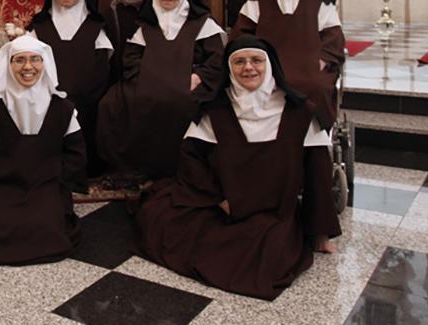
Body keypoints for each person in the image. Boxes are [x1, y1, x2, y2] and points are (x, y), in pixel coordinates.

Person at [135, 36, 340, 300]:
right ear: (229, 68)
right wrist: (216, 199)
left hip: (275, 209)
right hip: (226, 205)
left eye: (257, 61)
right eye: (239, 61)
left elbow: (318, 175)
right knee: (164, 224)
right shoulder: (214, 110)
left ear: (270, 66)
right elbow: (192, 161)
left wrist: (320, 234)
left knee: (269, 257)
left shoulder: (299, 113)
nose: (248, 68)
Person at [96, 0, 225, 179]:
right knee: (111, 104)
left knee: (186, 103)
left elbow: (216, 60)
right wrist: (144, 79)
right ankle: (131, 167)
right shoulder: (146, 24)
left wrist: (199, 76)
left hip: (190, 82)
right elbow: (131, 59)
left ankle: (187, 168)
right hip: (149, 81)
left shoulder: (203, 24)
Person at [0, 35, 87, 265]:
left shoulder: (62, 107)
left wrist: (57, 182)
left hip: (49, 184)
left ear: (45, 64)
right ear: (8, 65)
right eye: (19, 60)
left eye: (35, 59)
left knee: (48, 224)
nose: (28, 67)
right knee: (6, 227)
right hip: (8, 185)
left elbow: (76, 154)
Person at [229, 0, 345, 131]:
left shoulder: (320, 0)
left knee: (317, 87)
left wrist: (323, 60)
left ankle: (314, 137)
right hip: (264, 65)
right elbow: (241, 35)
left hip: (308, 64)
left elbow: (333, 38)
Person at [27, 0, 113, 176]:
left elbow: (102, 70)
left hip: (87, 99)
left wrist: (85, 95)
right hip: (47, 97)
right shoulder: (40, 25)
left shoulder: (95, 26)